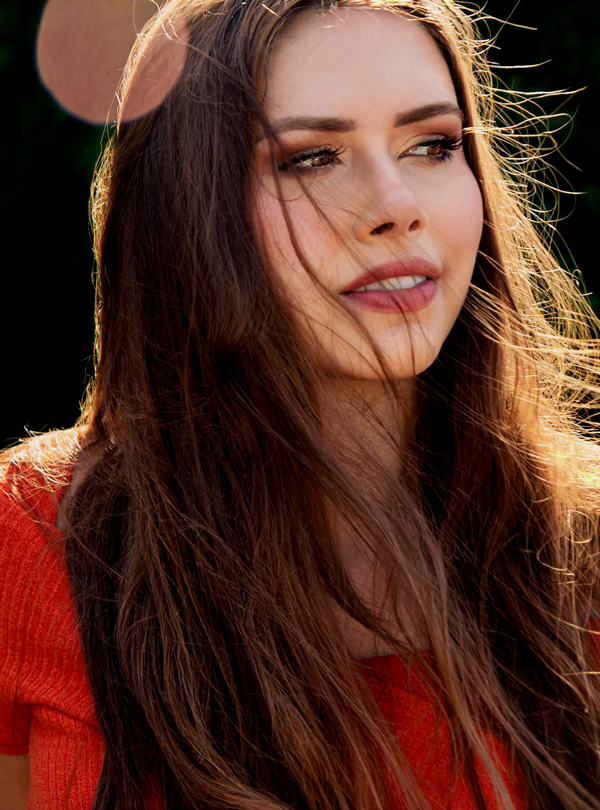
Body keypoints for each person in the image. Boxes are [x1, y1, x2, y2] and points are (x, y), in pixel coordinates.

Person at [2, 0, 600, 807]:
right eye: (311, 158)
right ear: (189, 214)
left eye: (433, 144)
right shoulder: (34, 540)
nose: (396, 205)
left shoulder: (582, 546)